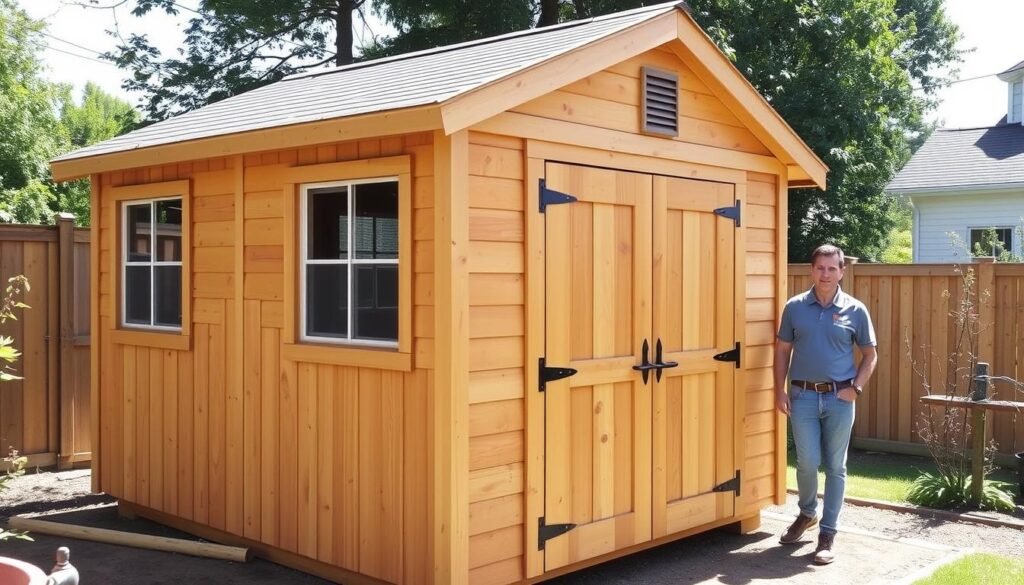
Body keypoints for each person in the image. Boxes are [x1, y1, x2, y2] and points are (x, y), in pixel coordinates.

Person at [774, 244, 878, 564]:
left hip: (840, 398)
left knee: (835, 467)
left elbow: (870, 355)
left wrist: (856, 388)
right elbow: (781, 351)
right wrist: (779, 389)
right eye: (820, 267)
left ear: (842, 272)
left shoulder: (856, 310)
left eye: (832, 268)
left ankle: (828, 534)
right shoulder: (794, 307)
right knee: (806, 462)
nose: (825, 274)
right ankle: (807, 514)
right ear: (811, 270)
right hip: (803, 395)